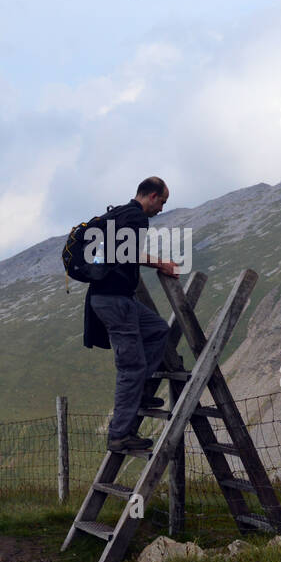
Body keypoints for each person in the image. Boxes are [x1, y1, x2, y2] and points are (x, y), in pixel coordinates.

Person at [83, 176, 181, 453]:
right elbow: (127, 253)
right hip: (115, 300)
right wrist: (161, 264)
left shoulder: (117, 214)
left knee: (158, 329)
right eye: (162, 201)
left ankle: (141, 394)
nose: (161, 208)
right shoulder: (135, 218)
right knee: (131, 367)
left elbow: (110, 253)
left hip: (112, 297)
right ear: (151, 196)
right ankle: (119, 435)